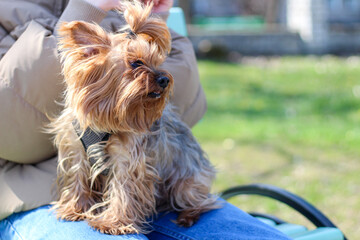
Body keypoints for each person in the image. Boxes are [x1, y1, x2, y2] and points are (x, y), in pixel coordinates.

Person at [0, 0, 290, 239]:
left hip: (165, 195)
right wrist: (89, 7)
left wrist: (158, 21)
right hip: (32, 198)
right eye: (137, 66)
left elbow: (185, 107)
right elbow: (10, 132)